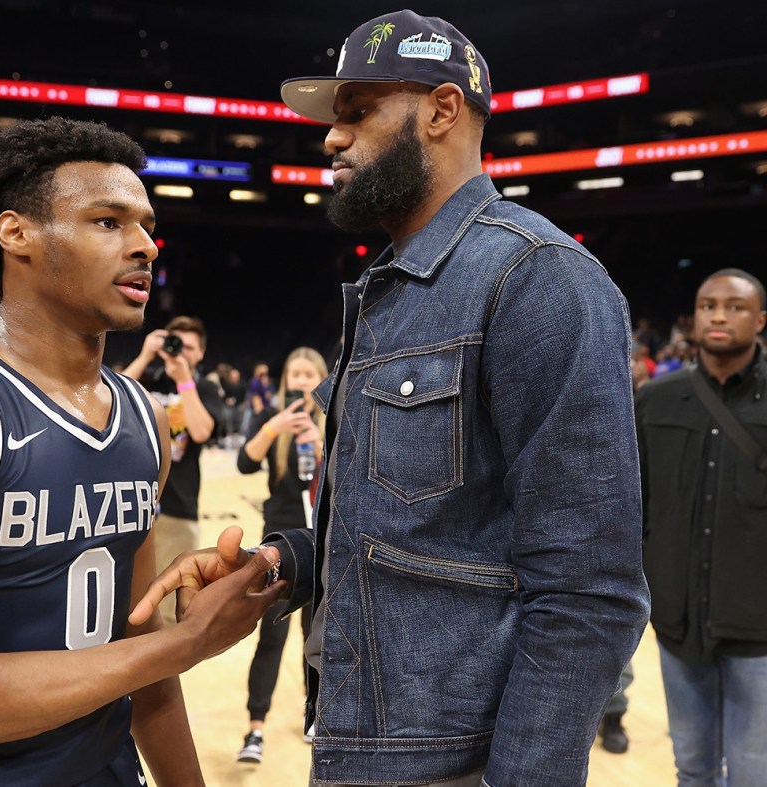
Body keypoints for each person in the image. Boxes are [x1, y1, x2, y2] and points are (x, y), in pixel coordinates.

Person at [135, 11, 650, 786]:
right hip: (358, 741)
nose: (332, 139)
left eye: (358, 111)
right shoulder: (391, 290)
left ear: (443, 110)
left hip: (455, 764)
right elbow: (420, 530)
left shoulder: (538, 277)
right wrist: (284, 561)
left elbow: (589, 591)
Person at [0, 117, 283, 787]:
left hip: (104, 768)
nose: (144, 245)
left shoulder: (141, 415)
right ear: (17, 232)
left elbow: (140, 655)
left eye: (145, 225)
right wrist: (184, 643)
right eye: (108, 221)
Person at [636, 268, 767, 786]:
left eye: (734, 306)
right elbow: (637, 506)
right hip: (678, 623)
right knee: (692, 769)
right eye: (708, 304)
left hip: (758, 628)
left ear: (760, 320)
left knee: (754, 774)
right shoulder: (656, 400)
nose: (718, 314)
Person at [235, 348, 326, 764]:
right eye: (296, 372)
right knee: (270, 638)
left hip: (324, 544)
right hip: (279, 547)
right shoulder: (273, 423)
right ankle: (255, 728)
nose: (303, 380)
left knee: (318, 637)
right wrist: (274, 427)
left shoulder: (334, 421)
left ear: (323, 378)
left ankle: (316, 716)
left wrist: (323, 445)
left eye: (310, 373)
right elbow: (244, 462)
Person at [122, 315, 220, 626]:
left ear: (201, 353)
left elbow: (202, 431)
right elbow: (113, 402)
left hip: (178, 508)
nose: (180, 352)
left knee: (166, 609)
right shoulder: (148, 380)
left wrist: (184, 380)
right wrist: (145, 355)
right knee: (128, 602)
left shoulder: (204, 387)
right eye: (174, 344)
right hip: (134, 506)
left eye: (189, 347)